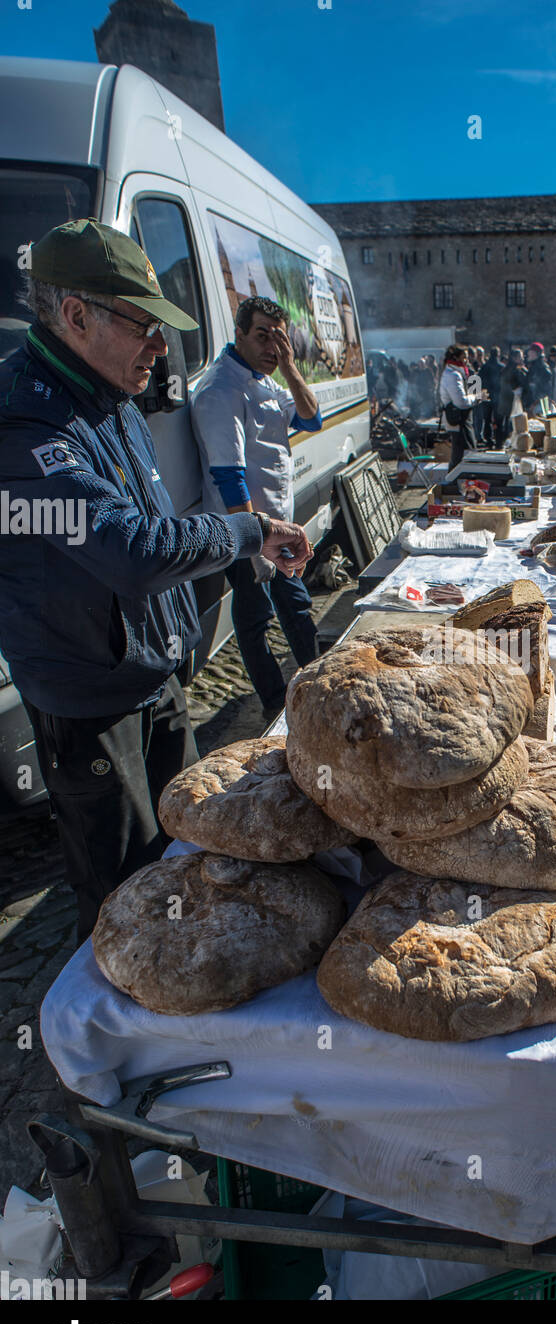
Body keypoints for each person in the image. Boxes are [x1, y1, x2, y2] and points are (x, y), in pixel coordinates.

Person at [0, 218, 312, 943]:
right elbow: (132, 551)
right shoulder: (24, 423)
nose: (160, 346)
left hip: (155, 671)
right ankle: (117, 1042)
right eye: (143, 325)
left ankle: (186, 992)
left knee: (189, 854)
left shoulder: (110, 390)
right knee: (123, 902)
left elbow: (155, 523)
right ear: (75, 314)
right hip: (91, 699)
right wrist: (250, 531)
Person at [190, 295, 323, 721]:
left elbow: (310, 417)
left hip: (278, 525)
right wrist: (255, 538)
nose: (271, 346)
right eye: (262, 335)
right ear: (239, 334)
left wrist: (288, 365)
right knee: (255, 617)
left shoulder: (267, 379)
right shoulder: (221, 388)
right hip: (247, 527)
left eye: (279, 337)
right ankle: (274, 703)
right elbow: (229, 474)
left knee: (297, 604)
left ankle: (318, 682)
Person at [439, 343, 482, 466]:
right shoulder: (452, 375)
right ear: (456, 358)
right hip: (458, 421)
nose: (467, 361)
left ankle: (458, 482)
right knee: (461, 455)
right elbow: (461, 402)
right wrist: (476, 397)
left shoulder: (459, 373)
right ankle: (457, 482)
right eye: (464, 357)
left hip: (463, 421)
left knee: (460, 455)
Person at [497, 347, 527, 440]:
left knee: (507, 420)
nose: (522, 359)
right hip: (512, 398)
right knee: (512, 421)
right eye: (520, 357)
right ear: (514, 358)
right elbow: (520, 381)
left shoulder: (506, 368)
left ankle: (505, 439)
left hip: (505, 398)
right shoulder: (514, 369)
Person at [524, 341, 553, 412]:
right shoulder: (534, 366)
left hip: (538, 404)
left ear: (535, 353)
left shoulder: (541, 368)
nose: (528, 353)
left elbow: (544, 388)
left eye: (530, 351)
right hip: (534, 403)